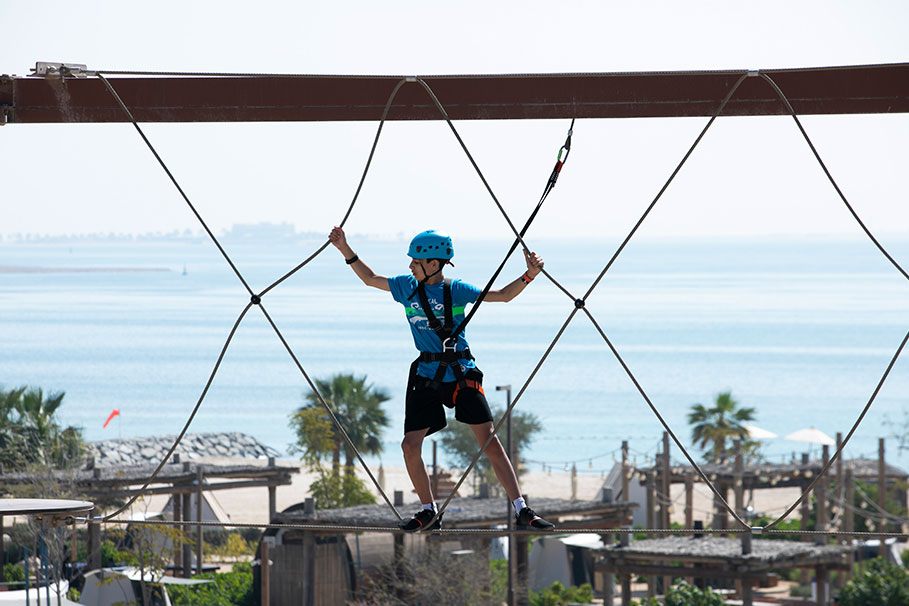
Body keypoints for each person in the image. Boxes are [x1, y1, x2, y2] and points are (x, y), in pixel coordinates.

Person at [329, 226, 555, 532]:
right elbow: (370, 278)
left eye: (415, 261)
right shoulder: (405, 287)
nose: (410, 265)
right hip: (426, 375)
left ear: (434, 264)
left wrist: (529, 275)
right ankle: (428, 510)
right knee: (410, 446)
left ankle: (521, 508)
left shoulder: (456, 290)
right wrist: (344, 248)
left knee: (489, 440)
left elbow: (501, 296)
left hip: (461, 373)